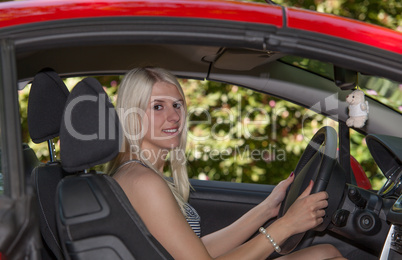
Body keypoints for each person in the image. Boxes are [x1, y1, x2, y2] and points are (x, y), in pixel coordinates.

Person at [106, 67, 345, 259]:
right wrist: (286, 225)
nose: (174, 117)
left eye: (177, 105)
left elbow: (196, 251)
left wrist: (267, 209)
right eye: (158, 106)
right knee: (327, 255)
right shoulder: (144, 181)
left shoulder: (136, 173)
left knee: (325, 252)